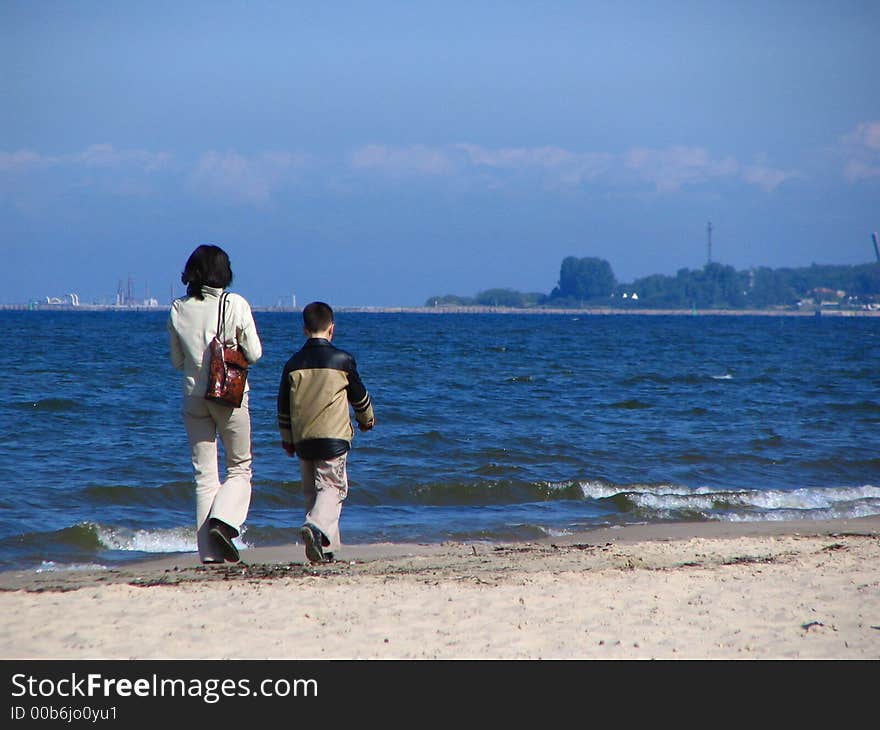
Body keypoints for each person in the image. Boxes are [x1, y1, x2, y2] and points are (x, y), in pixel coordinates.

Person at [167, 244, 263, 564]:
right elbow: (255, 353)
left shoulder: (178, 308)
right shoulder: (234, 303)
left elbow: (177, 361)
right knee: (240, 468)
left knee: (204, 476)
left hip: (193, 396)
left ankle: (208, 554)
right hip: (229, 396)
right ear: (224, 272)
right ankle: (223, 522)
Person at [277, 301, 375, 563]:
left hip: (303, 438)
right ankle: (315, 526)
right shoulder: (343, 361)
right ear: (332, 328)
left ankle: (326, 548)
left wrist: (287, 439)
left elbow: (283, 406)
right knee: (333, 488)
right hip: (334, 437)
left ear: (304, 329)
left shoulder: (292, 364)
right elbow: (359, 396)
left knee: (313, 492)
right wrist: (367, 420)